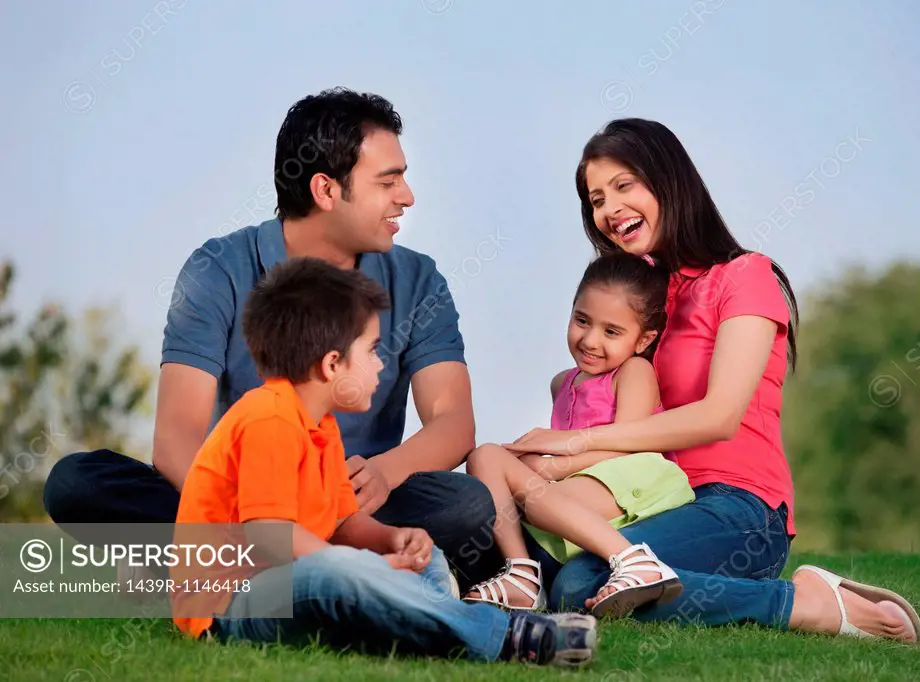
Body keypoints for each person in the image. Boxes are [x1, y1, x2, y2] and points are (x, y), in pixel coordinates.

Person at [42, 87, 503, 591]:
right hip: (238, 500)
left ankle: (227, 570)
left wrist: (385, 473)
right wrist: (265, 519)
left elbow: (453, 421)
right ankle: (308, 567)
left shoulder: (419, 280)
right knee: (78, 484)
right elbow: (176, 440)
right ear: (326, 190)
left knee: (465, 505)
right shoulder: (217, 270)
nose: (407, 196)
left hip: (354, 505)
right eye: (388, 181)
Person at [505, 118, 920, 645]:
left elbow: (718, 415)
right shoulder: (639, 308)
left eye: (623, 186)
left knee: (583, 583)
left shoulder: (744, 276)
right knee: (511, 533)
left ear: (668, 180)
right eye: (595, 199)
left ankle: (807, 603)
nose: (609, 210)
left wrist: (574, 443)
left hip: (740, 506)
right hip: (651, 500)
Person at [169, 256, 598, 667]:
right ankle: (505, 636)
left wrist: (391, 541)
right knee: (338, 568)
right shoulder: (268, 417)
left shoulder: (320, 426)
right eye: (372, 350)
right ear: (332, 364)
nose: (381, 362)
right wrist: (367, 567)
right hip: (231, 607)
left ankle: (435, 626)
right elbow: (270, 537)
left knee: (426, 557)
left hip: (295, 586)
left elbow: (342, 523)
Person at [462, 252, 696, 618]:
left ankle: (633, 560)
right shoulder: (562, 383)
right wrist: (529, 462)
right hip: (583, 479)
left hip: (634, 475)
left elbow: (629, 445)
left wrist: (555, 468)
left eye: (611, 332)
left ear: (643, 339)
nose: (589, 340)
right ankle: (521, 572)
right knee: (484, 457)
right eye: (581, 321)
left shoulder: (633, 371)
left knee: (534, 497)